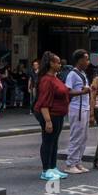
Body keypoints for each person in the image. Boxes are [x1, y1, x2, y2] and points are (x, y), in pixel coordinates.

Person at [34, 51, 69, 180]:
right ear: (51, 63)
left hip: (58, 114)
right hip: (50, 114)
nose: (60, 64)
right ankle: (45, 170)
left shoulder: (55, 77)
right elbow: (44, 103)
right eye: (58, 62)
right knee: (48, 141)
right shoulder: (46, 80)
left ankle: (53, 167)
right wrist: (48, 121)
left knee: (54, 142)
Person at [63, 49, 93, 174]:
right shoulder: (72, 74)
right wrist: (82, 92)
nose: (88, 61)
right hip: (77, 108)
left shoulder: (83, 74)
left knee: (83, 137)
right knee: (76, 136)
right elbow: (67, 91)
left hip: (84, 107)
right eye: (86, 59)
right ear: (80, 60)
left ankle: (77, 161)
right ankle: (70, 164)